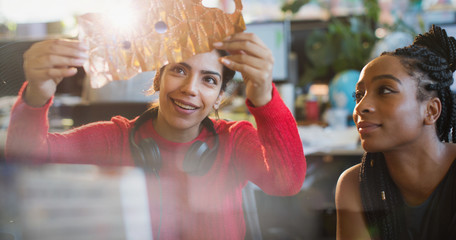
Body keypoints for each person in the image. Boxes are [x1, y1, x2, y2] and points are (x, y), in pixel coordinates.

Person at [5, 32, 306, 239]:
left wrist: (264, 97)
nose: (190, 88)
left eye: (209, 80)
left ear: (218, 98)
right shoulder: (115, 138)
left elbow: (287, 182)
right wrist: (38, 93)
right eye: (179, 70)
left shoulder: (235, 140)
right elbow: (26, 156)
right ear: (158, 77)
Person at [335, 25, 456, 240]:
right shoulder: (354, 185)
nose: (361, 107)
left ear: (431, 110)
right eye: (359, 95)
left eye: (385, 90)